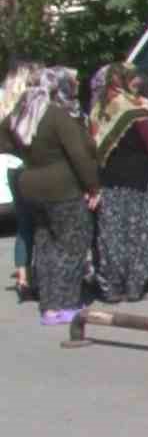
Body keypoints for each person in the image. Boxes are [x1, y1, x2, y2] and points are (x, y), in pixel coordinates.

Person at [0, 67, 97, 324]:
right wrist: (93, 187)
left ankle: (49, 304)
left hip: (30, 186)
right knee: (73, 243)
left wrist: (28, 158)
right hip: (62, 187)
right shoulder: (56, 116)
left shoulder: (21, 114)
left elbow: (5, 141)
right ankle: (67, 303)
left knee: (45, 244)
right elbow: (79, 155)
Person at [88, 64, 148, 305]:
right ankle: (135, 285)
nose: (136, 81)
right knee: (139, 233)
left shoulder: (98, 110)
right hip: (138, 180)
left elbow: (93, 146)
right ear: (121, 81)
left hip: (108, 180)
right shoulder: (134, 110)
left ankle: (111, 287)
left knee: (111, 234)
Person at [2, 61, 41, 301]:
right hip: (28, 167)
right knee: (39, 223)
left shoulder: (4, 104)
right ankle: (37, 275)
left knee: (24, 225)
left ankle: (23, 276)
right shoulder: (28, 108)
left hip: (11, 168)